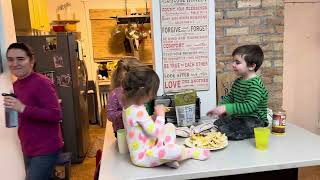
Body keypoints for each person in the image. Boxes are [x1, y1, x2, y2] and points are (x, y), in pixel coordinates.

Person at [122, 66, 209, 168]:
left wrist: (153, 118)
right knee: (176, 150)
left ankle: (167, 157)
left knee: (169, 126)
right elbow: (154, 132)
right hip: (144, 156)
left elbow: (143, 126)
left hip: (152, 145)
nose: (152, 97)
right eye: (152, 93)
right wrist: (160, 116)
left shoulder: (129, 108)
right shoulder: (137, 110)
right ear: (142, 91)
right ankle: (189, 153)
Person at [3, 43, 63, 180]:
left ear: (31, 61)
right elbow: (20, 116)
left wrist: (23, 108)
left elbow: (56, 114)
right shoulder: (14, 86)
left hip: (46, 149)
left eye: (20, 59)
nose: (15, 63)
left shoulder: (42, 82)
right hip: (28, 147)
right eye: (10, 59)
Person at [207, 45, 268, 140]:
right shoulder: (238, 82)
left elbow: (249, 106)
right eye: (233, 61)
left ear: (251, 66)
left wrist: (227, 108)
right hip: (241, 117)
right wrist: (222, 106)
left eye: (237, 62)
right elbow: (231, 97)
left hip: (255, 120)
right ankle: (232, 128)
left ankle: (240, 133)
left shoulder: (255, 85)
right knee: (219, 123)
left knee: (226, 130)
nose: (233, 65)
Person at [107, 56, 145, 138]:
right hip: (122, 132)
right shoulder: (115, 93)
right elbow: (110, 115)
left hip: (139, 129)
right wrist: (124, 113)